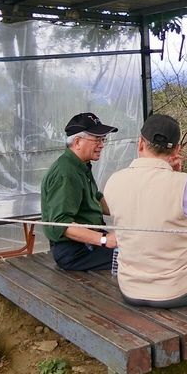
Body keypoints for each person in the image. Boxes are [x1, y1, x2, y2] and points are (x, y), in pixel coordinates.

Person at [102, 113, 187, 313]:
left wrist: (172, 174)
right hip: (177, 287)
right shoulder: (184, 185)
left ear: (140, 143)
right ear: (177, 149)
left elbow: (151, 200)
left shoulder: (113, 182)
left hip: (130, 287)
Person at [41, 112, 119, 271]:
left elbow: (97, 198)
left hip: (88, 242)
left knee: (135, 246)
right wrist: (104, 240)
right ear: (77, 142)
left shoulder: (80, 165)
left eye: (103, 139)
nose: (102, 145)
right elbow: (61, 224)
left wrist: (128, 212)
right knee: (131, 256)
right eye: (97, 139)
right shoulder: (66, 173)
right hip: (74, 251)